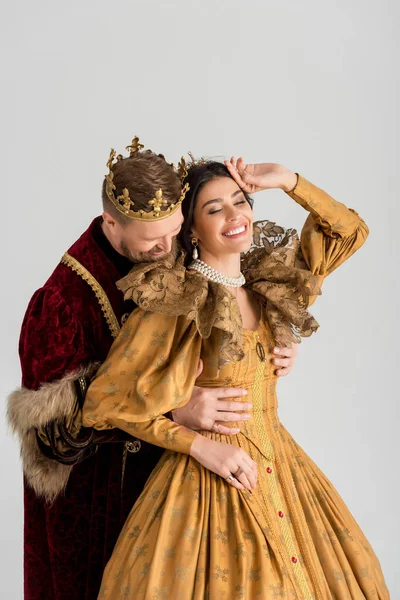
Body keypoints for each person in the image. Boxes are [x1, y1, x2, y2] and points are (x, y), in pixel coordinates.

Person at [83, 157, 389, 599]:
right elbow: (106, 402)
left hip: (280, 464)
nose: (235, 216)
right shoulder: (178, 300)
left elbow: (350, 231)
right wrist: (198, 442)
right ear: (190, 230)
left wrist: (287, 180)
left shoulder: (267, 287)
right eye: (214, 209)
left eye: (240, 201)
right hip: (208, 480)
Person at [7, 140, 298, 600]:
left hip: (177, 496)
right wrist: (174, 410)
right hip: (96, 508)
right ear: (111, 223)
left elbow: (228, 291)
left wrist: (273, 341)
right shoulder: (62, 304)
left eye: (176, 231)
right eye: (152, 240)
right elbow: (50, 440)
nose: (168, 248)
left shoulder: (171, 251)